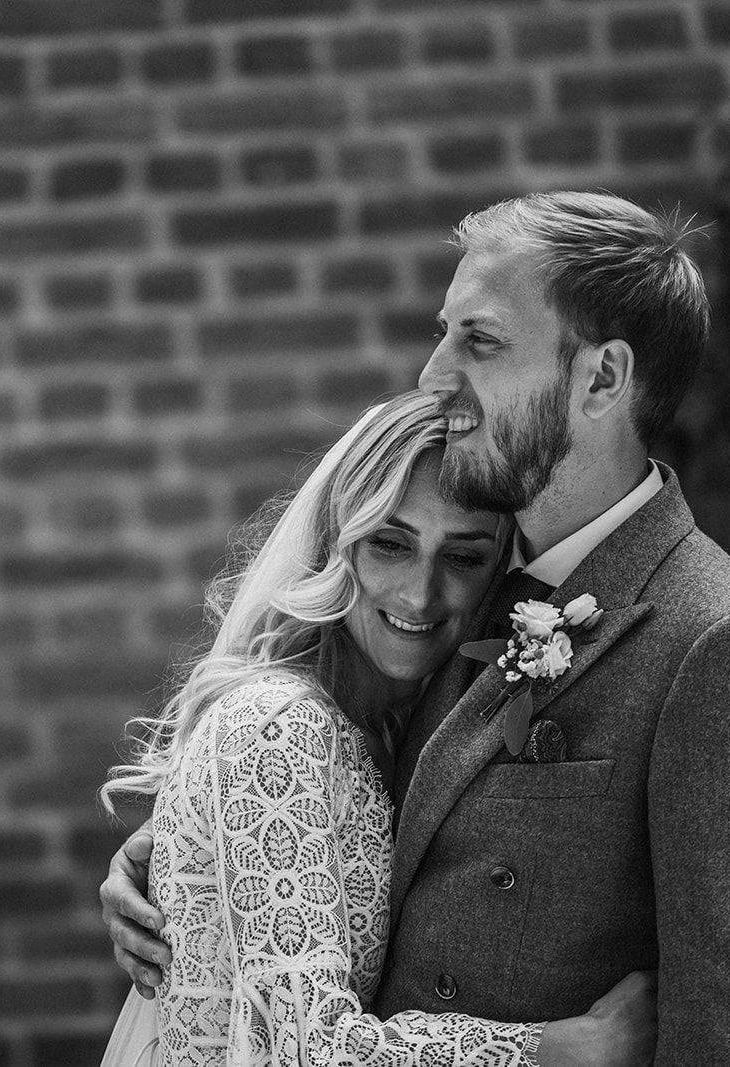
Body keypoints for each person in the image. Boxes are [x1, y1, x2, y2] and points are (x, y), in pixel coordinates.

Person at [101, 191, 730, 1065]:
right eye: (442, 331)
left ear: (601, 379)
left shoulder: (727, 646)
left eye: (479, 340)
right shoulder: (458, 589)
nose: (433, 373)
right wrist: (191, 850)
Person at [99, 390, 656, 1065]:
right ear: (338, 542)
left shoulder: (398, 726)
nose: (420, 594)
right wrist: (562, 1051)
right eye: (390, 544)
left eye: (463, 557)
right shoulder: (279, 724)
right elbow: (310, 1048)